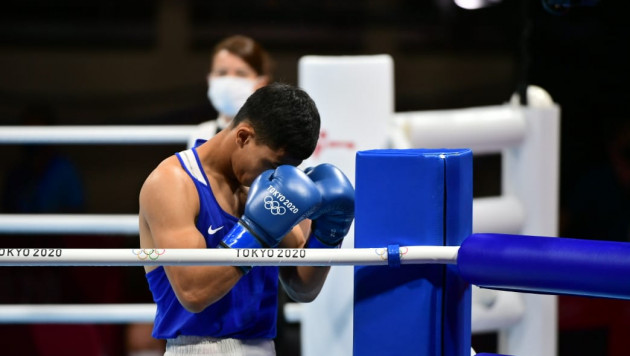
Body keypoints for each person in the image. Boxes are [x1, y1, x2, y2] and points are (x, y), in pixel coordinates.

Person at [139, 83, 354, 356]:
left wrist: (329, 232)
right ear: (243, 136)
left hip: (263, 346)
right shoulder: (173, 183)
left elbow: (301, 286)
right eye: (273, 165)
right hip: (197, 348)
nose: (277, 176)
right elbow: (193, 293)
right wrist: (256, 232)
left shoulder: (264, 186)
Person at [188, 35, 273, 148]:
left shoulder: (274, 135)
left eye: (241, 73)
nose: (229, 81)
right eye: (222, 73)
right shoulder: (201, 134)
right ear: (210, 79)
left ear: (261, 82)